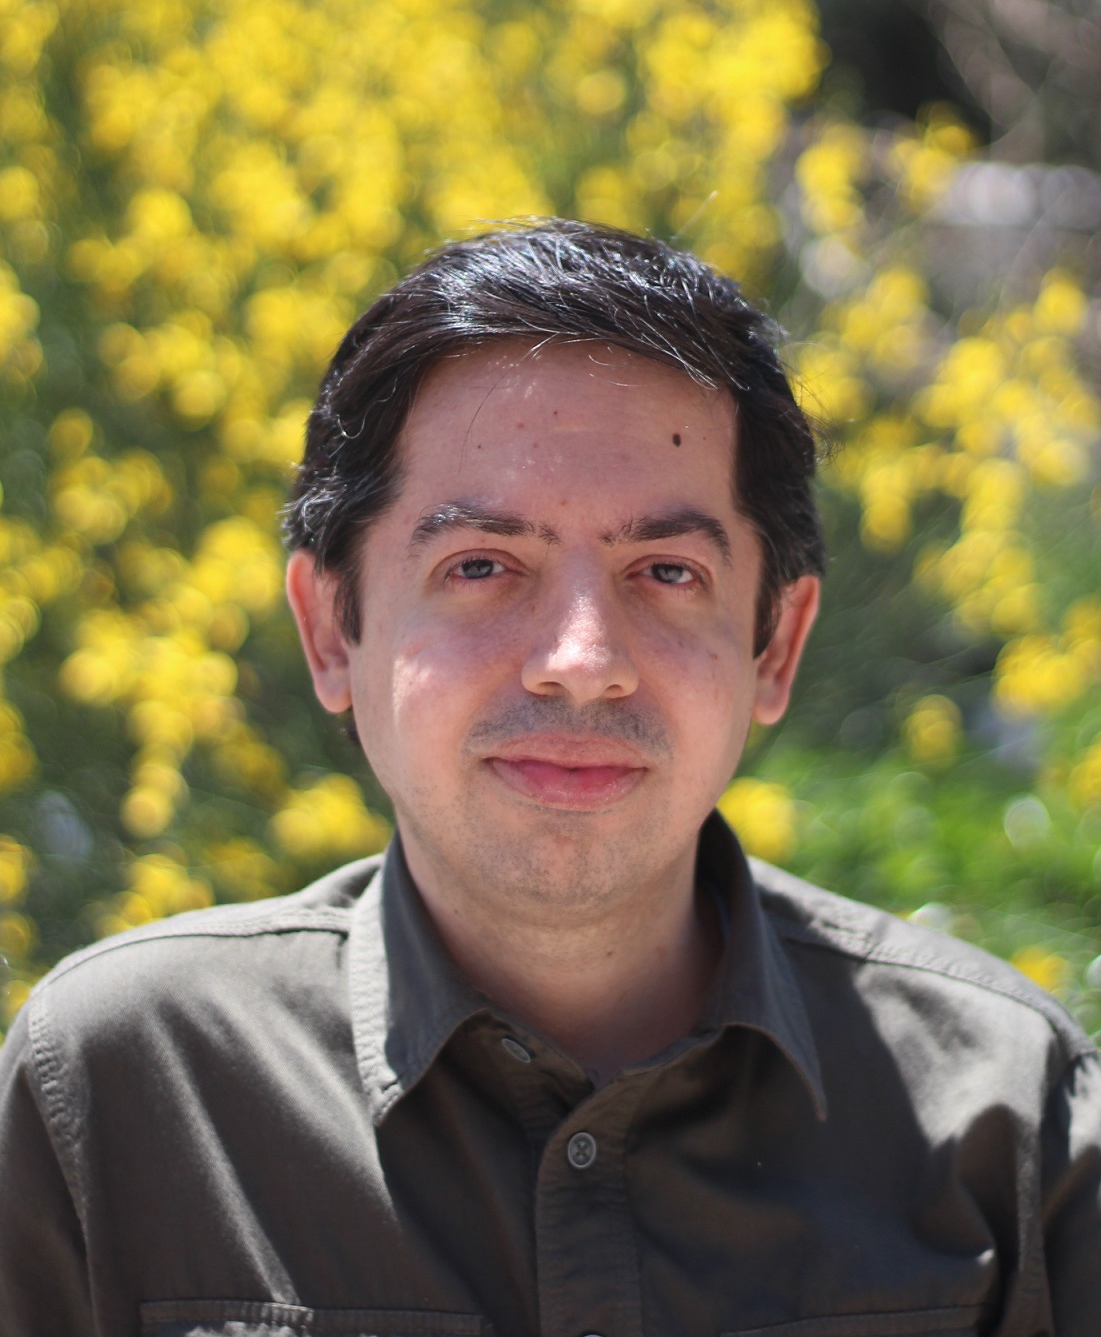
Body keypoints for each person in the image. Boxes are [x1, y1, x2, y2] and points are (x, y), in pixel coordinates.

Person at [0, 220, 1098, 1337]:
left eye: (665, 571)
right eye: (481, 565)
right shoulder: (122, 1090)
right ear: (331, 631)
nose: (581, 659)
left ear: (774, 644)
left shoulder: (1006, 1111)